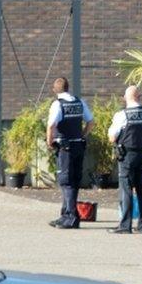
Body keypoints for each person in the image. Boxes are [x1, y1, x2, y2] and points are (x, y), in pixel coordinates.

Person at [46, 77, 94, 229]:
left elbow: (51, 125)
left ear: (55, 90)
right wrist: (82, 135)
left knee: (66, 181)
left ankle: (72, 217)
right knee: (73, 181)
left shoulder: (57, 104)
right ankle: (65, 214)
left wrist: (50, 142)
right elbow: (91, 122)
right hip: (78, 145)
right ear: (67, 88)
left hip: (65, 147)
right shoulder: (79, 102)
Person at [107, 85, 142, 234]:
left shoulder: (122, 115)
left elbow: (112, 137)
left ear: (126, 98)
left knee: (126, 190)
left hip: (127, 156)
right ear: (138, 96)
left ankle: (125, 225)